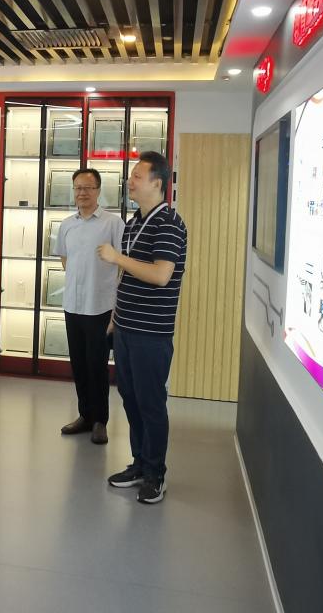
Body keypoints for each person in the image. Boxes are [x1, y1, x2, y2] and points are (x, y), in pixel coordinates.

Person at [97, 151, 187, 505]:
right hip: (126, 328)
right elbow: (128, 275)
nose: (129, 181)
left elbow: (161, 275)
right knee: (131, 399)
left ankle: (155, 474)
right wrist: (115, 316)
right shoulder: (135, 222)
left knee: (151, 403)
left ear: (157, 183)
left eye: (137, 176)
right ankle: (139, 463)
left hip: (151, 333)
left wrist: (116, 257)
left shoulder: (170, 223)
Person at [56, 168, 124, 445]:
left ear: (98, 190)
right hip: (73, 304)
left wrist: (116, 304)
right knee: (79, 364)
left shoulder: (113, 223)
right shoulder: (66, 225)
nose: (82, 193)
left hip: (100, 306)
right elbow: (64, 259)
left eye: (88, 187)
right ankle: (85, 415)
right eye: (78, 188)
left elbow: (123, 264)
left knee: (97, 365)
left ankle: (100, 421)